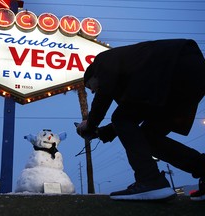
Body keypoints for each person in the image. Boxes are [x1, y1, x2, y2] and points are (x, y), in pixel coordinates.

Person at [76, 39, 205, 201]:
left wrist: (90, 124)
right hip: (192, 74)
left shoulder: (102, 60)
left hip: (174, 64)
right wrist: (103, 132)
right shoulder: (133, 74)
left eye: (90, 86)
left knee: (121, 117)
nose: (93, 91)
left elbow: (107, 97)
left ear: (93, 74)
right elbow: (134, 115)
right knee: (148, 137)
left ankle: (150, 180)